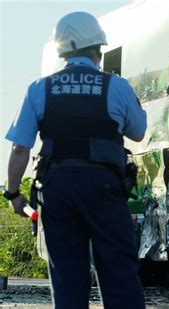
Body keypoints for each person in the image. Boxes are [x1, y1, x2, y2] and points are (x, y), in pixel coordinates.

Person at [3, 11, 147, 309]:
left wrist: (13, 193)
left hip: (57, 190)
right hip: (105, 187)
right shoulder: (116, 87)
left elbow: (20, 149)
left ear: (61, 51)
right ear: (98, 49)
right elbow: (139, 132)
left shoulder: (39, 89)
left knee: (68, 275)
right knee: (119, 272)